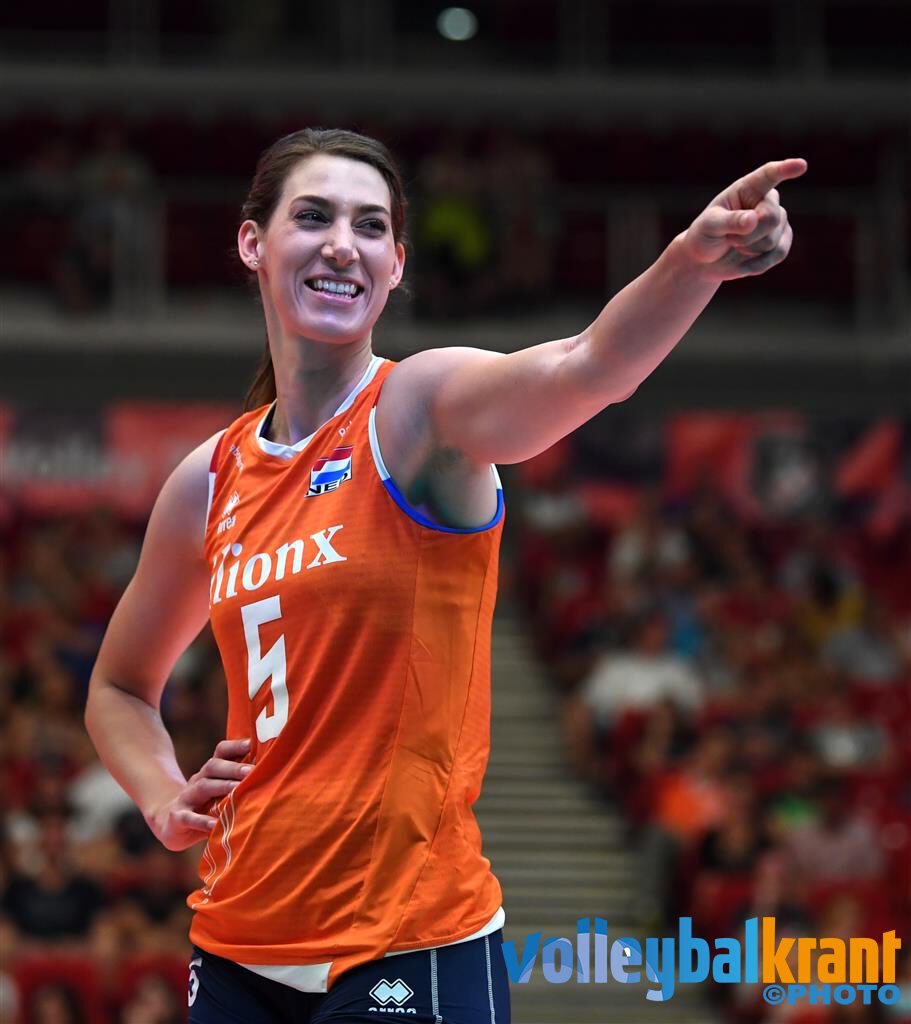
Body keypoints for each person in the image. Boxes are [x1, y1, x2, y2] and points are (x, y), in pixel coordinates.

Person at [85, 127, 805, 1023]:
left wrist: (689, 265)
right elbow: (119, 686)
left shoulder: (417, 408)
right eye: (313, 217)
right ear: (252, 243)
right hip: (237, 945)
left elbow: (587, 366)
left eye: (370, 226)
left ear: (395, 265)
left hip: (408, 939)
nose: (342, 243)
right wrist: (163, 798)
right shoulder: (209, 479)